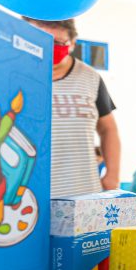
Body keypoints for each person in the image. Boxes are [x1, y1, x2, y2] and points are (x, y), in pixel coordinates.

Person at [23, 17, 120, 196]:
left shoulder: (91, 78)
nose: (48, 49)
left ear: (72, 44)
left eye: (57, 43)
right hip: (25, 193)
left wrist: (112, 175)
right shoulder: (13, 74)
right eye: (40, 42)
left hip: (84, 192)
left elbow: (108, 129)